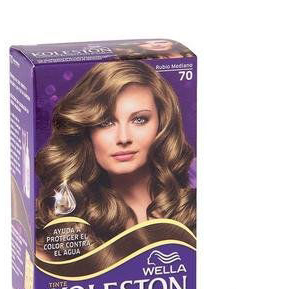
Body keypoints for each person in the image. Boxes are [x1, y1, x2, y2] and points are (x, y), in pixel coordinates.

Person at [35, 60, 195, 260]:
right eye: (106, 122)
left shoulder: (191, 208)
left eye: (139, 120)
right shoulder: (65, 227)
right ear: (87, 131)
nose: (123, 138)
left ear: (162, 125)